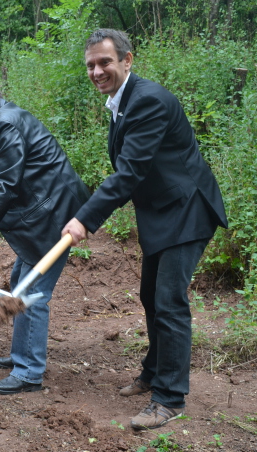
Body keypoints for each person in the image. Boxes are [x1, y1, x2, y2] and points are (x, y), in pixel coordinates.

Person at [62, 29, 228, 429]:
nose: (97, 71)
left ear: (127, 60)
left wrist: (85, 219)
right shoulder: (121, 101)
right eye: (90, 65)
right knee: (150, 295)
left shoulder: (148, 100)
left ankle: (169, 398)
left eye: (105, 62)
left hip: (186, 209)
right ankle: (153, 372)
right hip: (161, 211)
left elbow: (129, 172)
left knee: (170, 301)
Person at [0, 69, 90, 395]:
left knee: (31, 294)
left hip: (54, 215)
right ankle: (20, 356)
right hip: (47, 210)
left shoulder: (5, 124)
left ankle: (29, 371)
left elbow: (7, 188)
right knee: (20, 283)